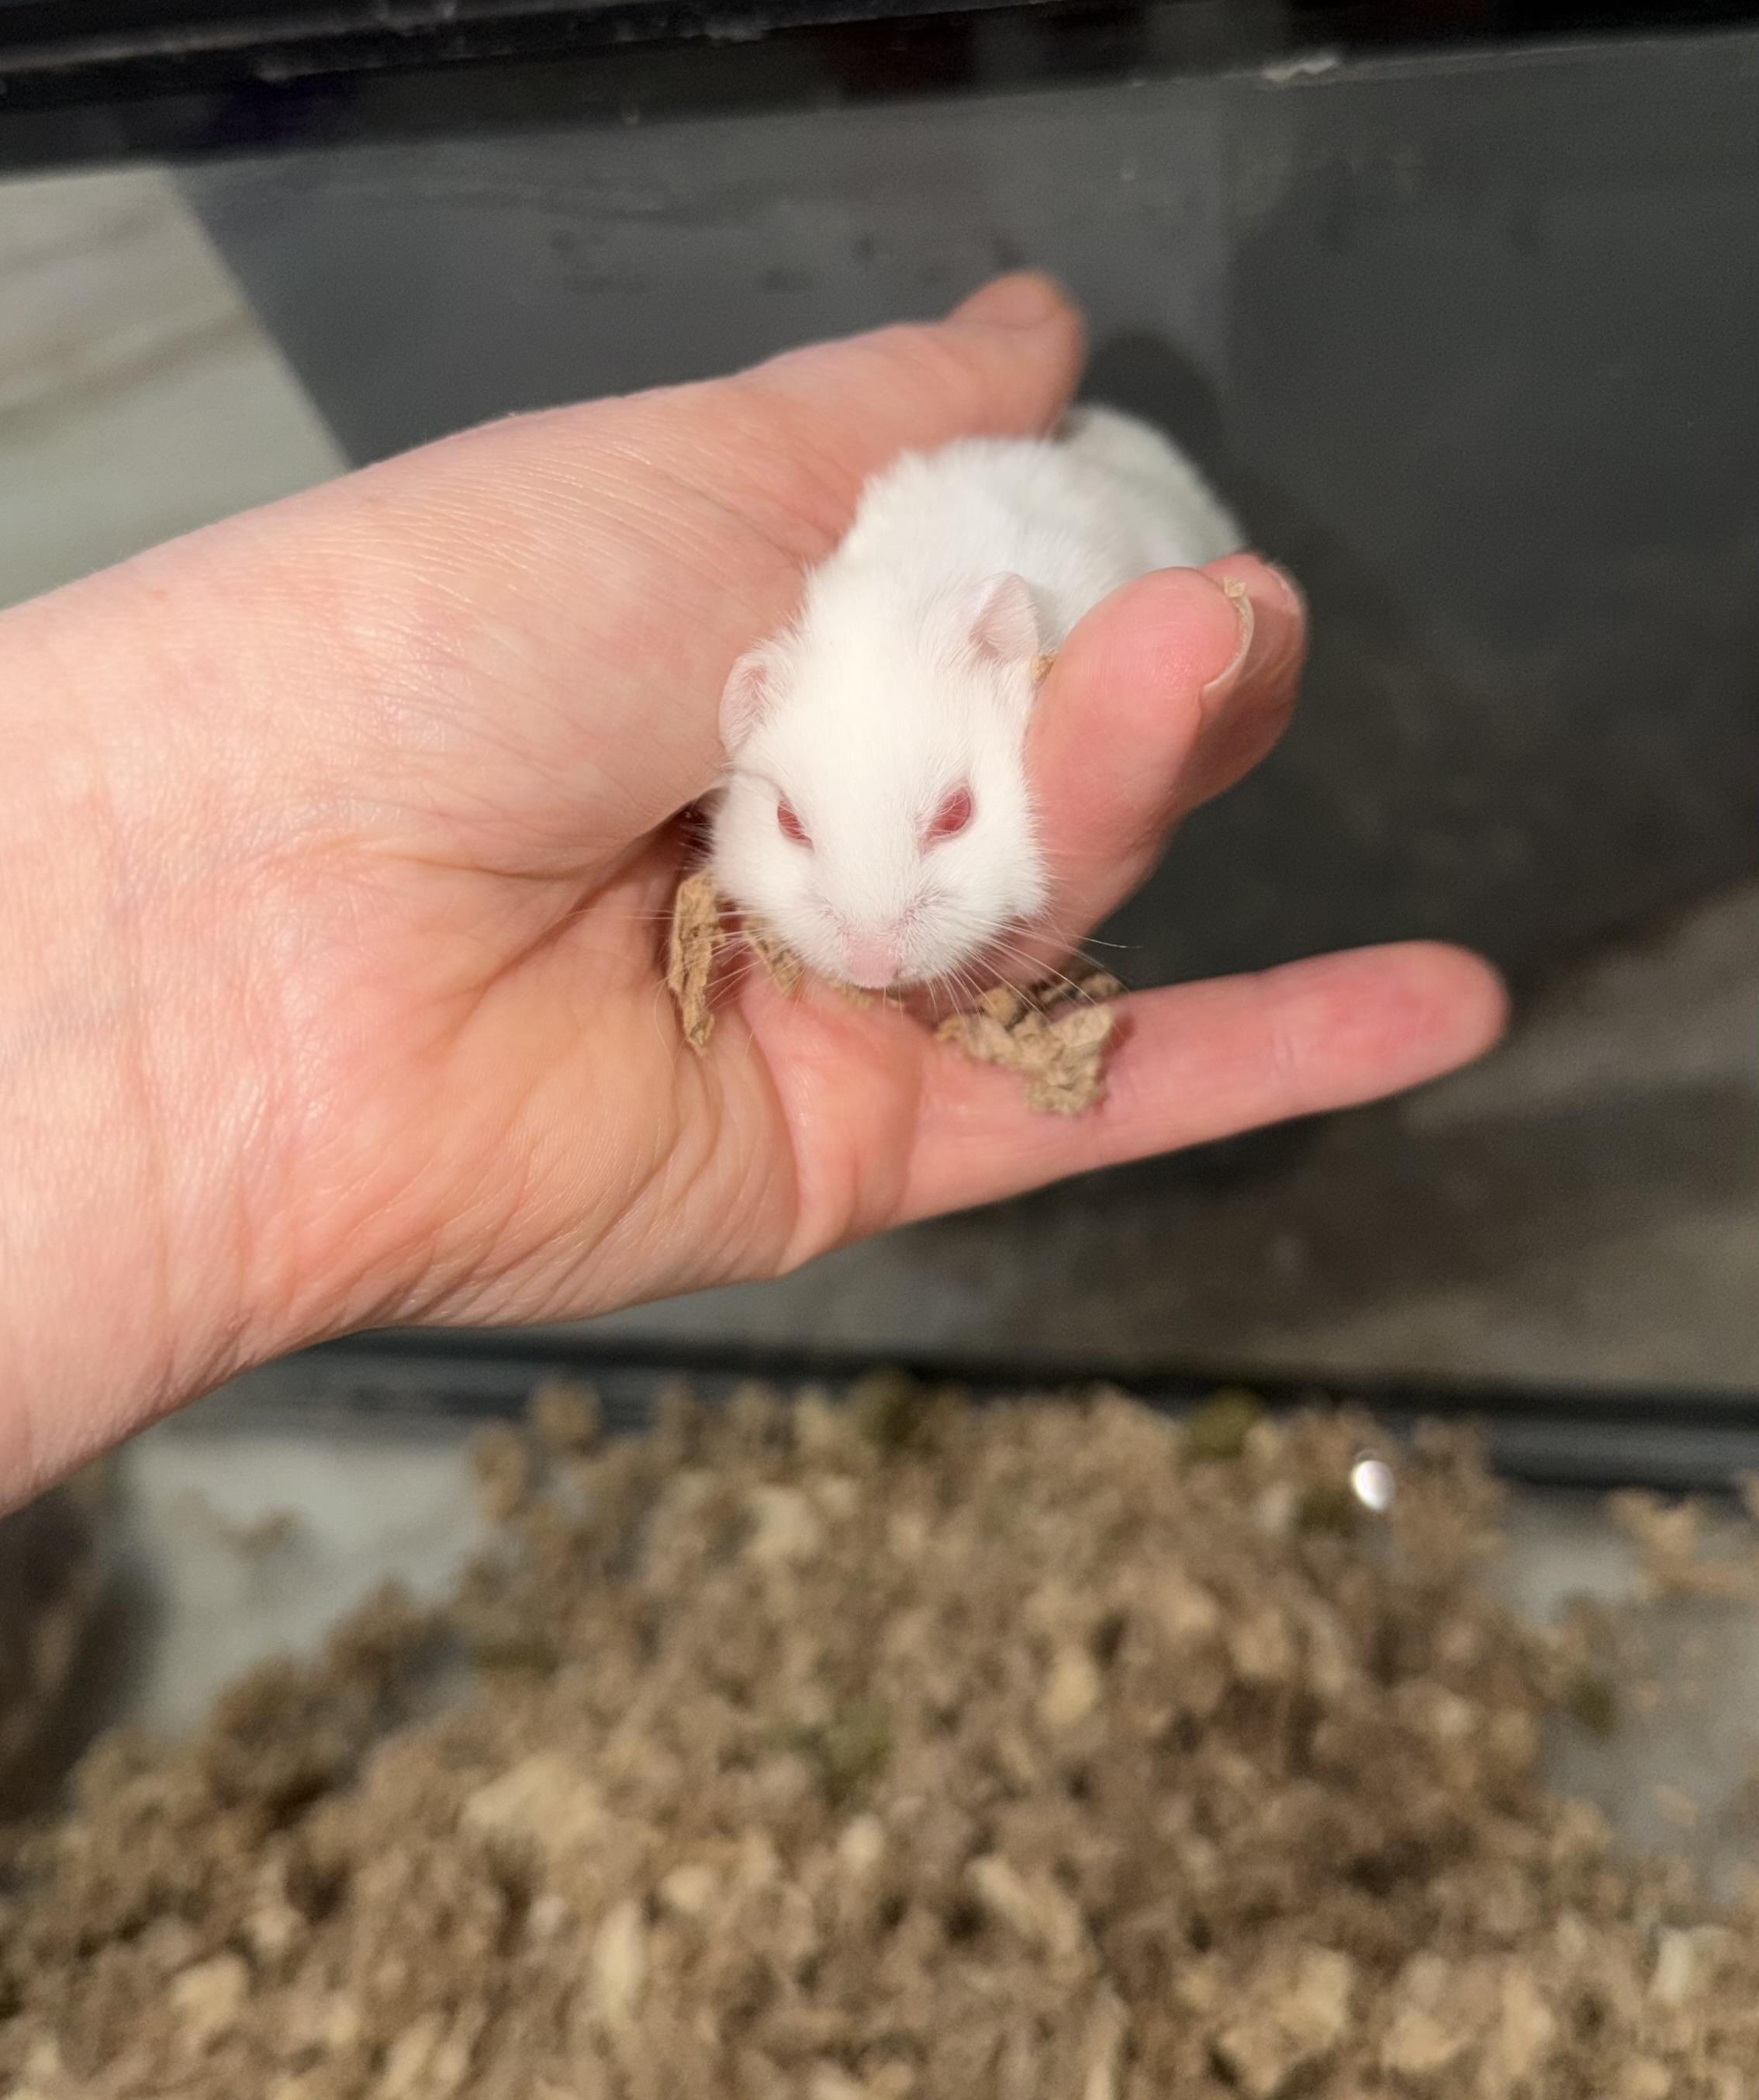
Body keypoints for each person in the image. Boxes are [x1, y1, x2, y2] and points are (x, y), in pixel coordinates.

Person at [0, 273, 1504, 1509]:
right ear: (745, 726)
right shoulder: (798, 664)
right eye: (786, 833)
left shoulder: (1015, 596)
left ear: (1012, 661)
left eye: (947, 824)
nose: (868, 936)